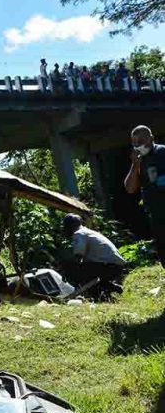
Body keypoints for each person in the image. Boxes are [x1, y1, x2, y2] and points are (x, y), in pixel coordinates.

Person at [124, 125, 165, 268]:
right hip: (156, 216)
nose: (138, 145)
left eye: (141, 141)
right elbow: (129, 188)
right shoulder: (140, 161)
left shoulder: (162, 152)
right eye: (134, 142)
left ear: (151, 138)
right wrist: (135, 165)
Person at [61, 214, 125, 295]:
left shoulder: (79, 234)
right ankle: (110, 288)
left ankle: (78, 293)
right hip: (116, 266)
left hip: (108, 266)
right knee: (85, 270)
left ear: (70, 226)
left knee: (71, 267)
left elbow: (78, 256)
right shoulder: (87, 232)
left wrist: (66, 271)